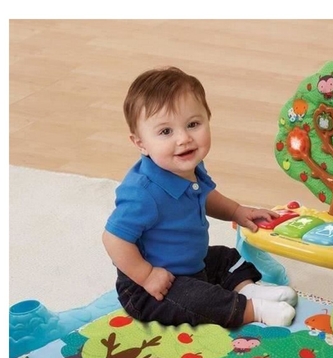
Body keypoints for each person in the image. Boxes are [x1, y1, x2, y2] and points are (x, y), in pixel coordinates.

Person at [102, 66, 297, 330]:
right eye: (165, 132)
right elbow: (113, 239)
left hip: (192, 264)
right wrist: (146, 275)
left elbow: (205, 196)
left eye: (193, 124)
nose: (184, 139)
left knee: (226, 257)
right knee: (198, 299)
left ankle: (247, 289)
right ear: (140, 144)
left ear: (208, 119)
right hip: (152, 289)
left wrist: (236, 211)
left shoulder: (188, 167)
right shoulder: (143, 192)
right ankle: (253, 310)